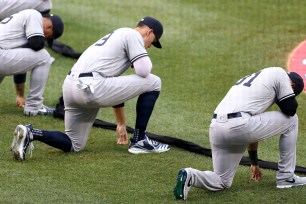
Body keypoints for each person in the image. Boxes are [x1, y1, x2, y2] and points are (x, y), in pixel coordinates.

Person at [11, 16, 170, 161]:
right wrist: (139, 58)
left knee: (74, 144)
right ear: (149, 32)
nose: (149, 47)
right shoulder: (133, 35)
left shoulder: (117, 37)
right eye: (152, 42)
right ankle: (140, 140)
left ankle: (31, 133)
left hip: (71, 87)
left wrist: (121, 124)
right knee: (154, 81)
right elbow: (144, 70)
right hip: (92, 86)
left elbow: (116, 86)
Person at [173, 67, 305, 200]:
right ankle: (286, 177)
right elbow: (290, 108)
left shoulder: (259, 83)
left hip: (216, 127)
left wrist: (254, 162)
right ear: (291, 86)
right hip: (239, 124)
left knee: (222, 181)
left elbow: (254, 132)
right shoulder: (280, 73)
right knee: (292, 120)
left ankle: (190, 175)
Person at [0, 9, 64, 116]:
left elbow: (21, 63)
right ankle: (35, 105)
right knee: (44, 57)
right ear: (49, 27)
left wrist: (20, 95)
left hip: (3, 54)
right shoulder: (35, 15)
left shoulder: (21, 19)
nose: (45, 39)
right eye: (49, 37)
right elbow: (36, 44)